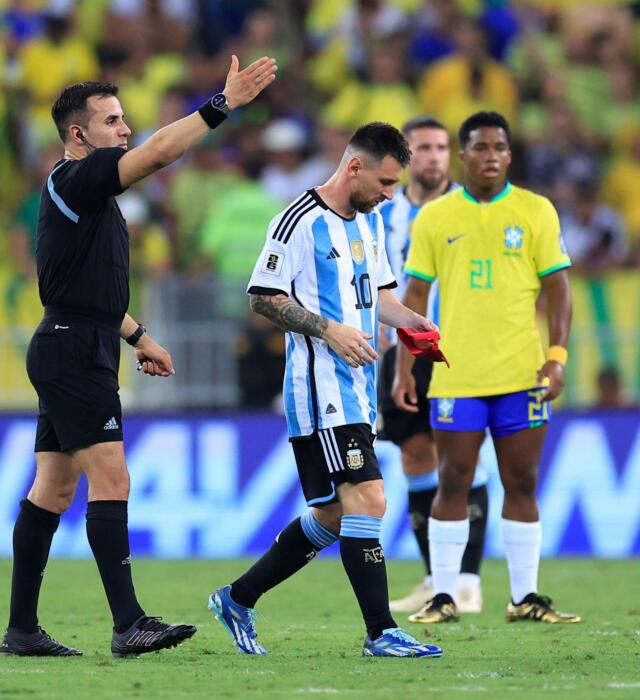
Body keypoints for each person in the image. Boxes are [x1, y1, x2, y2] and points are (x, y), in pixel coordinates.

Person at [0, 55, 278, 659]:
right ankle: (129, 623)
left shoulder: (84, 194)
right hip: (72, 350)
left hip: (74, 340)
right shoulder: (78, 177)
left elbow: (83, 286)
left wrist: (138, 335)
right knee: (112, 478)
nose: (126, 129)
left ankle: (22, 629)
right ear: (79, 134)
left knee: (51, 490)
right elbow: (157, 155)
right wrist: (220, 105)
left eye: (124, 119)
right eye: (113, 120)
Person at [208, 122, 443, 659]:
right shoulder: (298, 220)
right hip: (320, 390)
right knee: (370, 498)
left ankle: (237, 598)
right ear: (354, 166)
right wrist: (327, 328)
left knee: (336, 516)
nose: (389, 195)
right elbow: (262, 296)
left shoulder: (372, 222)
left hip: (359, 386)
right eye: (385, 183)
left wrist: (416, 324)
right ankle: (381, 632)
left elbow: (380, 294)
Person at [395, 111, 581, 625]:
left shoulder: (536, 211)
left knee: (521, 480)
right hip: (455, 375)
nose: (491, 155)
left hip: (522, 375)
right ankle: (445, 595)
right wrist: (406, 367)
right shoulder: (433, 217)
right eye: (480, 147)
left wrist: (557, 358)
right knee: (451, 480)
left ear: (510, 154)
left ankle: (525, 597)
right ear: (463, 155)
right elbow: (415, 294)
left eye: (500, 146)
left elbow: (559, 289)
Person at [375, 116, 489, 615]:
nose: (434, 156)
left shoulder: (471, 209)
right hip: (401, 347)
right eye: (423, 147)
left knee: (463, 457)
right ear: (405, 156)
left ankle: (467, 581)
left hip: (458, 345)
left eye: (442, 147)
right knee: (415, 457)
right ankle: (434, 578)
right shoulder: (381, 211)